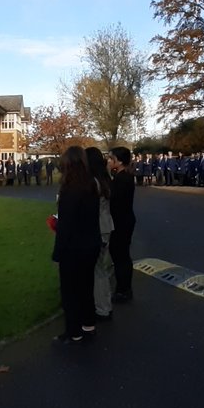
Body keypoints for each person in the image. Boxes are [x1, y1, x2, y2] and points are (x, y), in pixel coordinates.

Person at [51, 146, 101, 344]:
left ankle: (73, 332)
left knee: (70, 291)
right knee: (86, 287)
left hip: (74, 248)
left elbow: (66, 225)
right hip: (91, 244)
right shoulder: (91, 185)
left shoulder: (70, 189)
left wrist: (58, 252)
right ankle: (88, 325)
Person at [86, 148, 115, 321]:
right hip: (106, 227)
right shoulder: (105, 179)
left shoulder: (94, 182)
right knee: (101, 269)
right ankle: (105, 304)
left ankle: (102, 308)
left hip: (97, 229)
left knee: (97, 270)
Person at [108, 147, 137, 304]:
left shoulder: (122, 179)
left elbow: (114, 200)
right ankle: (124, 288)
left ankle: (123, 290)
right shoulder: (122, 176)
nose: (109, 161)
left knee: (121, 256)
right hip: (124, 220)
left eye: (111, 158)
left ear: (118, 161)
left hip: (121, 222)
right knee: (121, 255)